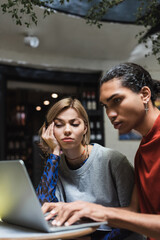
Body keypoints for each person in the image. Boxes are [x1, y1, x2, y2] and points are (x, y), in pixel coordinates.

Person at [43, 63, 160, 240]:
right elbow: (133, 212)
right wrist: (83, 210)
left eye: (117, 100)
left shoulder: (116, 159)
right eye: (105, 105)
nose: (110, 113)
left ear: (144, 95)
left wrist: (103, 213)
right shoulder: (143, 151)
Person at [36, 97, 143, 239]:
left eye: (74, 124)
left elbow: (132, 218)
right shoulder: (56, 165)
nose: (67, 130)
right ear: (49, 130)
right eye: (59, 125)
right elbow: (43, 209)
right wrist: (54, 152)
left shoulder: (114, 160)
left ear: (85, 128)